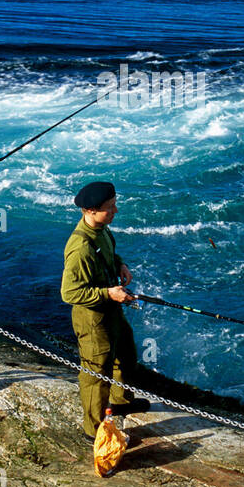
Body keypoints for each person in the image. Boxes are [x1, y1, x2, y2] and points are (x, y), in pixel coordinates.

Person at [61, 181, 151, 439]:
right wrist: (108, 293)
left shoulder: (102, 230)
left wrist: (121, 265)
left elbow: (109, 255)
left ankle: (120, 400)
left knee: (126, 353)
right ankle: (95, 430)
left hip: (110, 309)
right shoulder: (80, 248)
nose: (115, 211)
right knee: (95, 374)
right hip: (92, 319)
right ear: (90, 210)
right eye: (109, 208)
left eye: (114, 205)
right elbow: (69, 293)